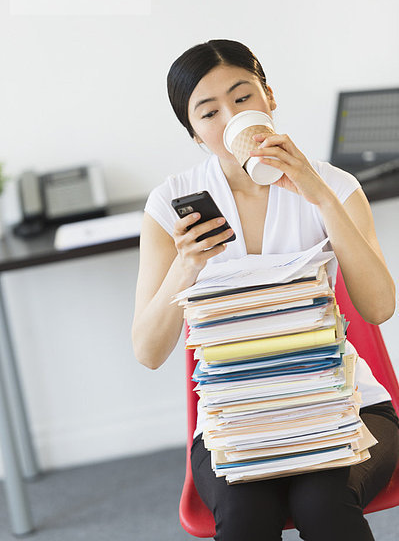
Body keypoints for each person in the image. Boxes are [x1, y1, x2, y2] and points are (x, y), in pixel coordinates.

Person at [131, 39, 399, 541]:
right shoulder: (170, 205)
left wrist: (318, 194)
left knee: (323, 504)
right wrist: (187, 263)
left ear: (269, 98)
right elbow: (147, 352)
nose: (231, 116)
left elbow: (379, 307)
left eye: (242, 97)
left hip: (345, 404)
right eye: (209, 112)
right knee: (248, 517)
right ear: (194, 133)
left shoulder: (334, 185)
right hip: (237, 418)